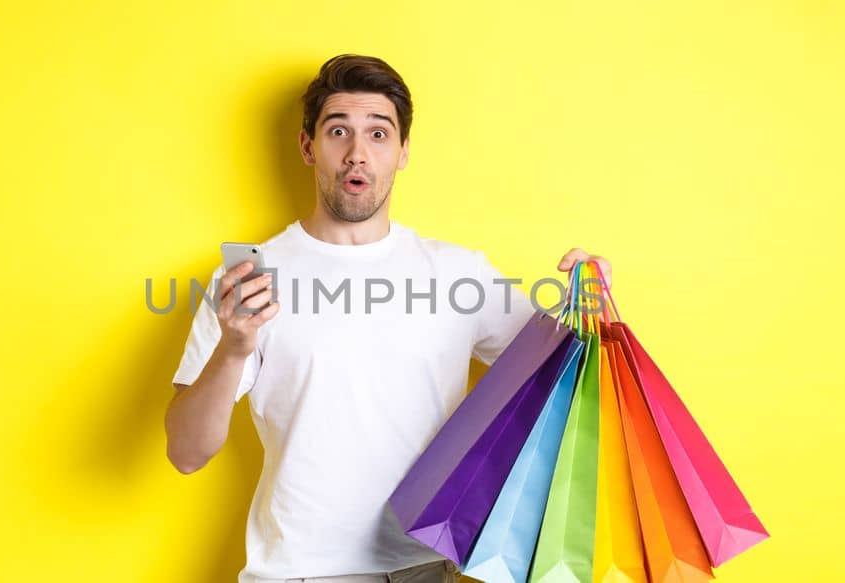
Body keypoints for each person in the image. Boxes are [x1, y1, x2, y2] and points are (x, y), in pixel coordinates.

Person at [165, 54, 612, 583]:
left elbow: (568, 382)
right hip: (299, 572)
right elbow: (187, 453)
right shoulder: (247, 280)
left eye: (378, 134)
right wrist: (234, 347)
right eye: (338, 132)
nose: (357, 154)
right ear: (309, 147)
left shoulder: (457, 274)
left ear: (402, 152)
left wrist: (593, 309)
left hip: (426, 568)